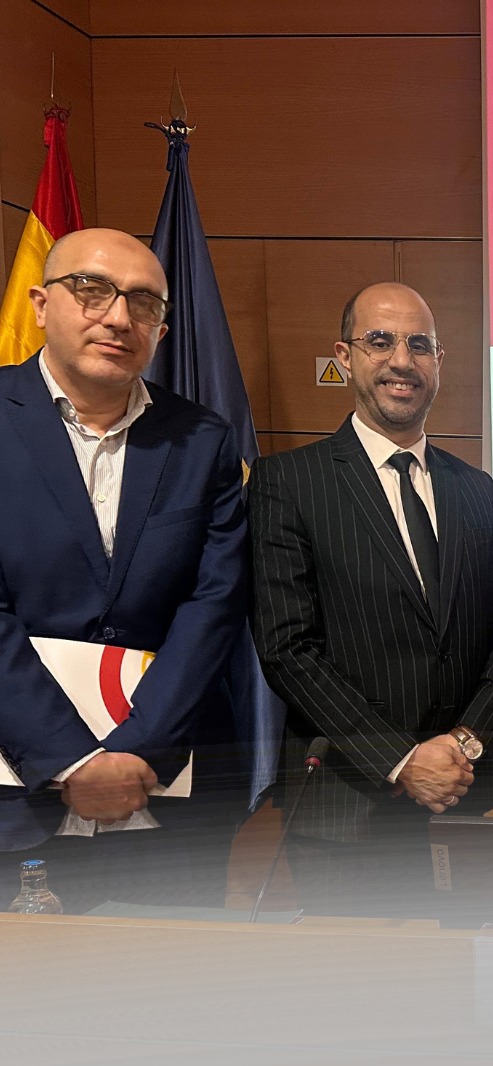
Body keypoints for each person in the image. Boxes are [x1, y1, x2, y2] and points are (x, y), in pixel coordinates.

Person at [251, 282, 493, 916]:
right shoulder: (288, 483)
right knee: (358, 979)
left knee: (465, 975)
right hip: (345, 809)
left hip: (462, 799)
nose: (401, 361)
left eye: (419, 345)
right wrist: (401, 759)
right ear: (345, 356)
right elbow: (288, 648)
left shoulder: (476, 489)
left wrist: (463, 743)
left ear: (439, 362)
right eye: (379, 342)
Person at [0, 228, 249, 912]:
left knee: (167, 977)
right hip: (16, 795)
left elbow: (214, 601)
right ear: (40, 304)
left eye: (143, 303)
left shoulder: (202, 439)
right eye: (92, 290)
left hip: (165, 796)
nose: (117, 317)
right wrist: (70, 760)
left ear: (161, 330)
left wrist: (139, 752)